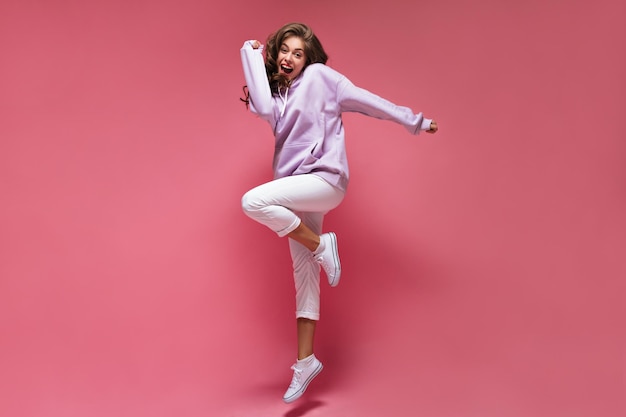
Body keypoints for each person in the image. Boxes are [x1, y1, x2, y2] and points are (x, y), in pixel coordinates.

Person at [239, 22, 438, 403]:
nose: (290, 58)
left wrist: (415, 121)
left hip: (325, 181)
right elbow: (262, 105)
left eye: (298, 53)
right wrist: (249, 54)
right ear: (276, 51)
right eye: (285, 50)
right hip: (298, 193)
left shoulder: (321, 77)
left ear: (308, 58)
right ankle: (306, 361)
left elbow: (367, 101)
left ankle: (320, 244)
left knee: (253, 202)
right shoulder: (277, 97)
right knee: (305, 279)